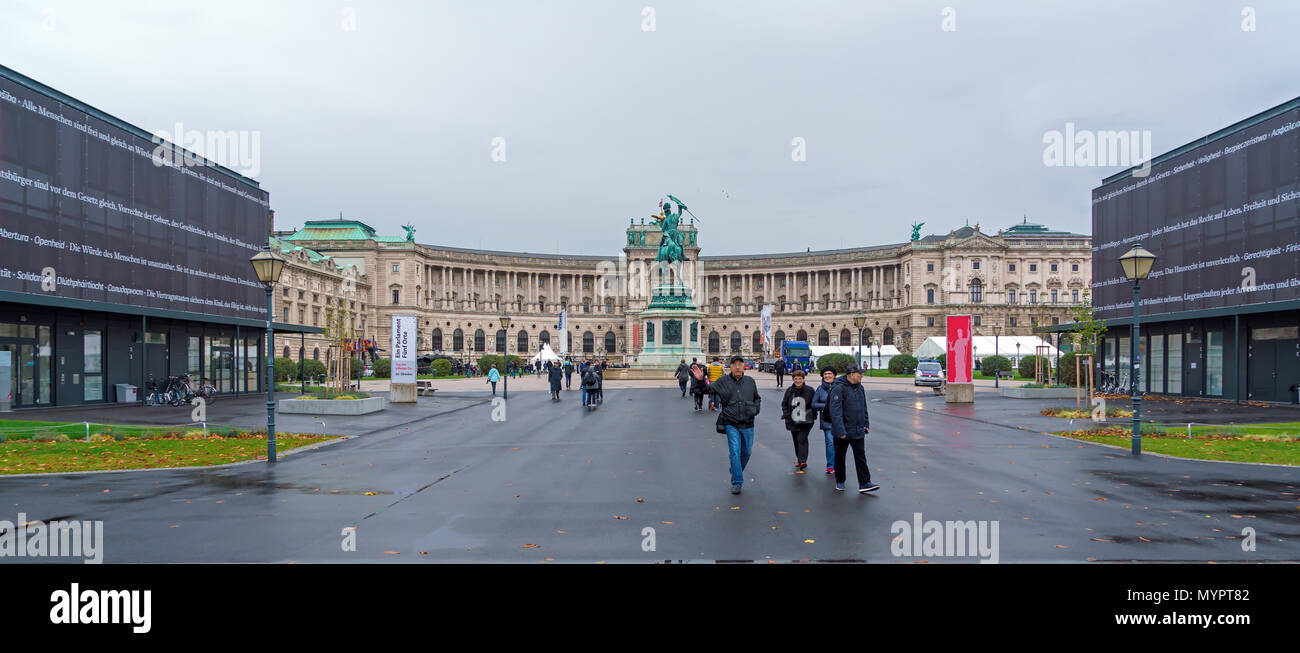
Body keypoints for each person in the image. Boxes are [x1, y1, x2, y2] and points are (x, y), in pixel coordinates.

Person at [699, 355, 761, 494]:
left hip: (748, 423)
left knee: (747, 453)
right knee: (734, 452)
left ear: (743, 366)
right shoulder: (723, 381)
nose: (738, 367)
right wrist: (700, 379)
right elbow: (707, 390)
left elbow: (757, 398)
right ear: (730, 367)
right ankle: (737, 481)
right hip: (731, 422)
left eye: (740, 364)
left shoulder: (750, 381)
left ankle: (735, 469)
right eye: (735, 364)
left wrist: (756, 409)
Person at [827, 364, 880, 494]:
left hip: (858, 429)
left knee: (860, 456)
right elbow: (835, 411)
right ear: (851, 374)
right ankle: (840, 481)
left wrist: (866, 423)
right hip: (843, 431)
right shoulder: (838, 388)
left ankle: (864, 483)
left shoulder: (860, 388)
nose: (862, 375)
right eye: (859, 373)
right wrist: (840, 431)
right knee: (840, 457)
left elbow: (864, 407)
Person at [780, 368, 817, 470]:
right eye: (796, 378)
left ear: (803, 379)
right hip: (792, 420)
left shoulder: (810, 390)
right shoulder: (789, 391)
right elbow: (784, 404)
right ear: (793, 379)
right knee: (796, 440)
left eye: (800, 379)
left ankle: (803, 460)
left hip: (806, 420)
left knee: (802, 439)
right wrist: (786, 414)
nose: (798, 381)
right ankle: (799, 459)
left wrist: (814, 415)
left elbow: (814, 404)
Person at [810, 367, 838, 475]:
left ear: (834, 375)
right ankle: (830, 466)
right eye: (825, 374)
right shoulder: (820, 389)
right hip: (827, 421)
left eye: (829, 373)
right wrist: (827, 406)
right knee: (830, 443)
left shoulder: (840, 387)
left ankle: (838, 464)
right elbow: (813, 404)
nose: (827, 376)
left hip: (840, 421)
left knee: (839, 445)